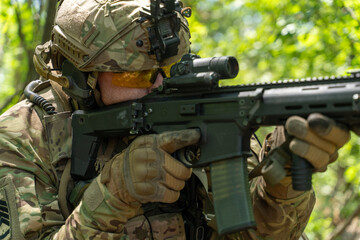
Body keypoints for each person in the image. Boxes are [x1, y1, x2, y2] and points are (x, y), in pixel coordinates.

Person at [0, 0, 351, 239]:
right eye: (136, 77)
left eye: (169, 69)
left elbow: (255, 234)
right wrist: (111, 198)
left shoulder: (194, 118)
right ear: (79, 76)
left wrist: (282, 189)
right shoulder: (19, 140)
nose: (160, 84)